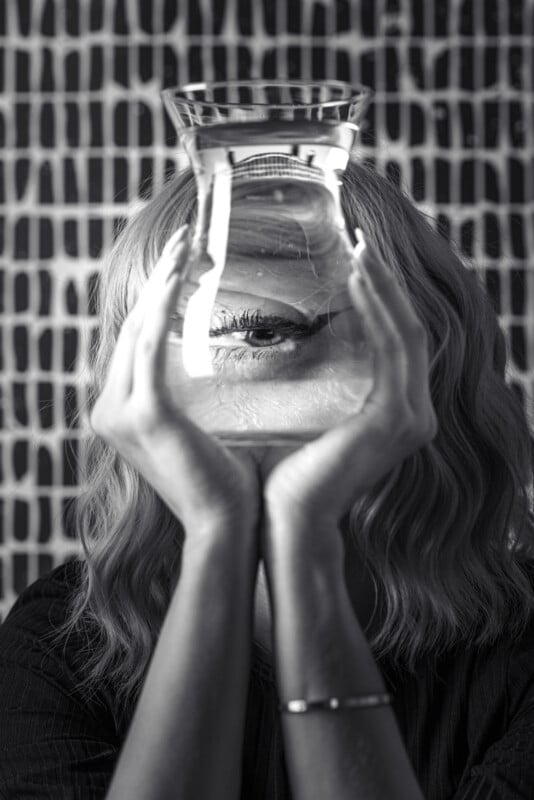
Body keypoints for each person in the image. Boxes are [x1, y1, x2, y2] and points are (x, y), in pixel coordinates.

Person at [1, 160, 534, 800]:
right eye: (157, 347)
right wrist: (219, 532)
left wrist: (300, 536)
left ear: (419, 363)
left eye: (258, 333)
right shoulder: (58, 646)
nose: (176, 401)